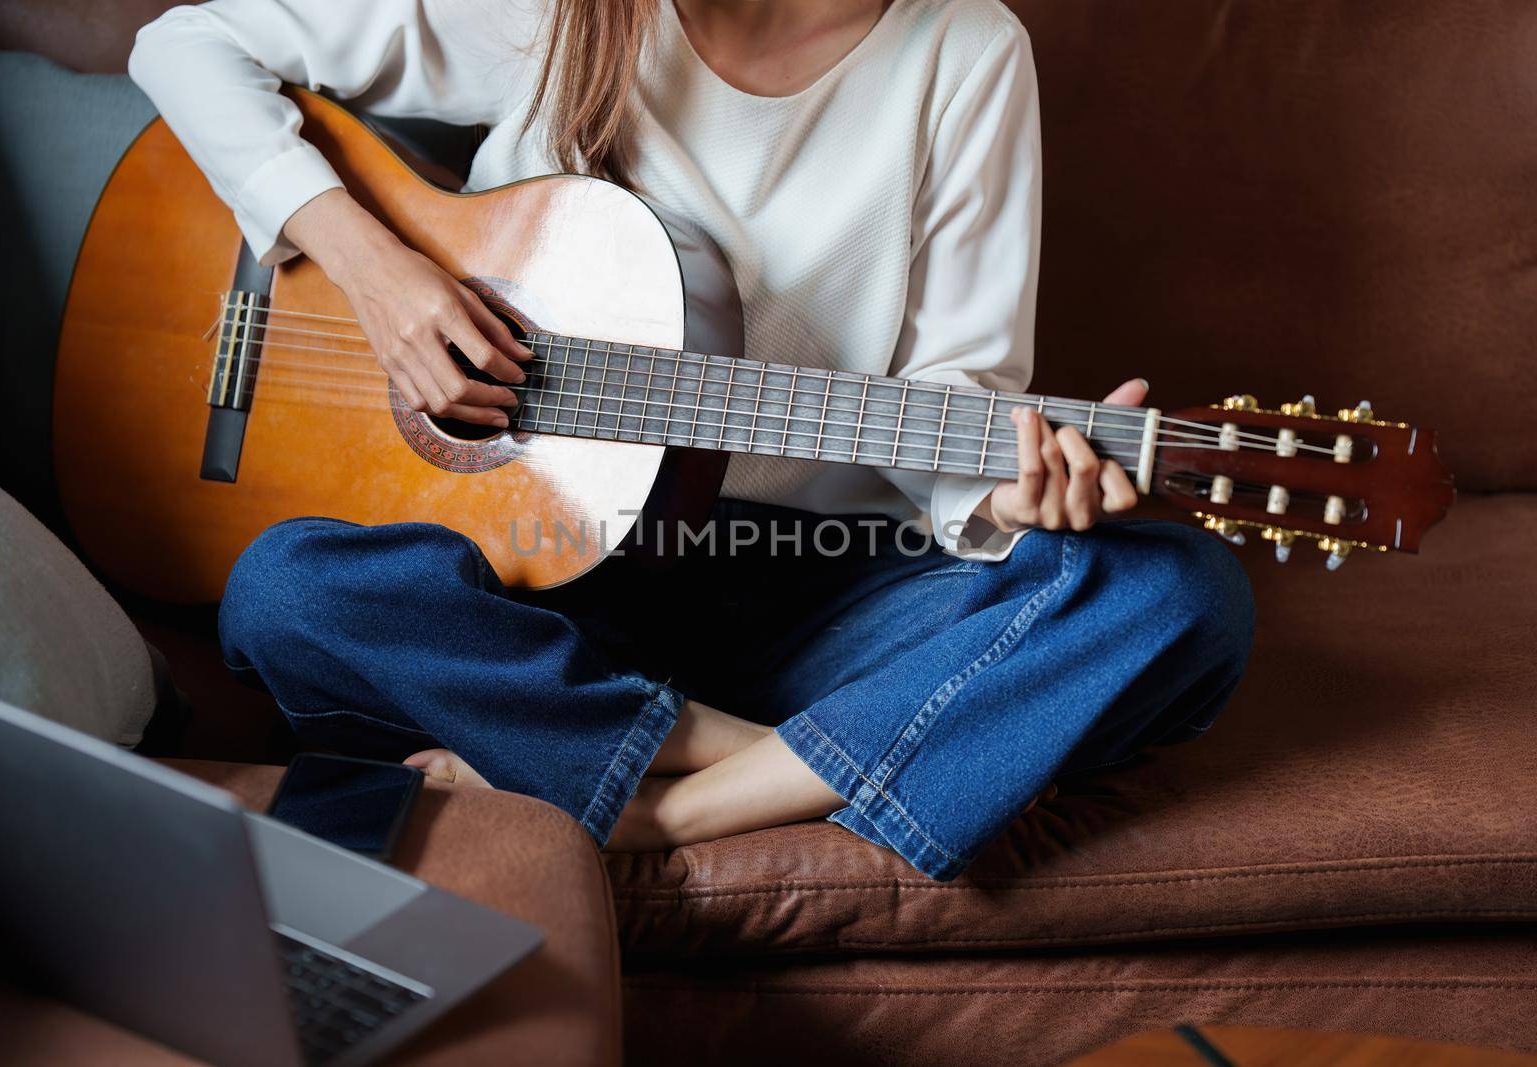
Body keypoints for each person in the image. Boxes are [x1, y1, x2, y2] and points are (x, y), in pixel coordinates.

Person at [129, 0, 1254, 880]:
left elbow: (955, 400)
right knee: (287, 589)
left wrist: (1010, 500)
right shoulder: (560, 13)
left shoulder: (966, 49)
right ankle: (815, 750)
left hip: (816, 581)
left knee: (1176, 592)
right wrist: (382, 276)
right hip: (543, 580)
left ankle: (660, 797)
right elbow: (187, 45)